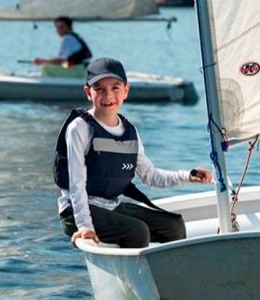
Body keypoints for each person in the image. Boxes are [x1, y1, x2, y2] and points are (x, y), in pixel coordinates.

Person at [55, 57, 213, 248]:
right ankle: (134, 277)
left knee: (174, 225)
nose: (108, 96)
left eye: (115, 88)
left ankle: (169, 274)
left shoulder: (130, 132)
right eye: (99, 89)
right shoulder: (79, 128)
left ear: (126, 91)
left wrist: (188, 176)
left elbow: (151, 176)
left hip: (110, 206)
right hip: (75, 211)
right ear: (88, 92)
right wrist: (84, 226)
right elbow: (76, 183)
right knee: (137, 231)